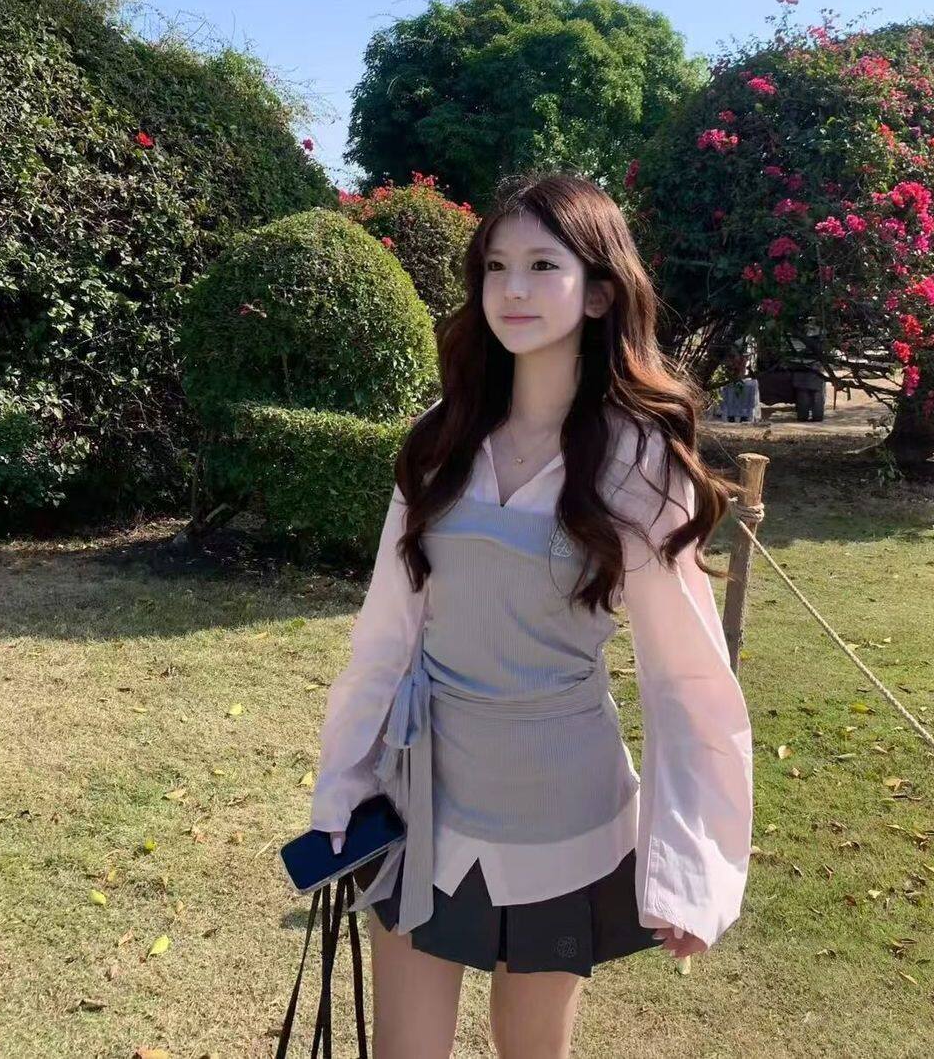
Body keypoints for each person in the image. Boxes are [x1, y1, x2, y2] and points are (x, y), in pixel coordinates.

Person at [308, 171, 754, 1058]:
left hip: (566, 817)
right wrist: (343, 786)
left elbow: (687, 679)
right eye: (495, 265)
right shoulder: (440, 440)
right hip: (421, 800)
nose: (512, 289)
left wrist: (691, 868)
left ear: (598, 292)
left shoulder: (637, 461)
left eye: (543, 265)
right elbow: (385, 638)